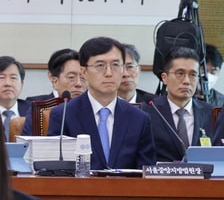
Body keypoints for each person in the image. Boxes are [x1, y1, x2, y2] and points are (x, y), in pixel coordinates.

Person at [42, 37, 156, 170]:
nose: (108, 73)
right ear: (84, 72)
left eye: (115, 65)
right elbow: (56, 170)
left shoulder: (139, 119)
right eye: (100, 66)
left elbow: (147, 172)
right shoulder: (64, 115)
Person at [144, 47, 212, 161]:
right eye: (180, 73)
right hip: (160, 177)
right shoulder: (148, 111)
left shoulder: (211, 113)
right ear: (164, 78)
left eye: (193, 75)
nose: (186, 81)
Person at [20, 48, 88, 135]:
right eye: (71, 77)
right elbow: (29, 146)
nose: (79, 84)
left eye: (83, 78)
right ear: (54, 79)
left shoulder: (94, 108)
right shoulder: (39, 109)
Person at [0, 56, 31, 137]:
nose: (8, 83)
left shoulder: (33, 112)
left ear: (22, 84)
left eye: (13, 78)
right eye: (1, 77)